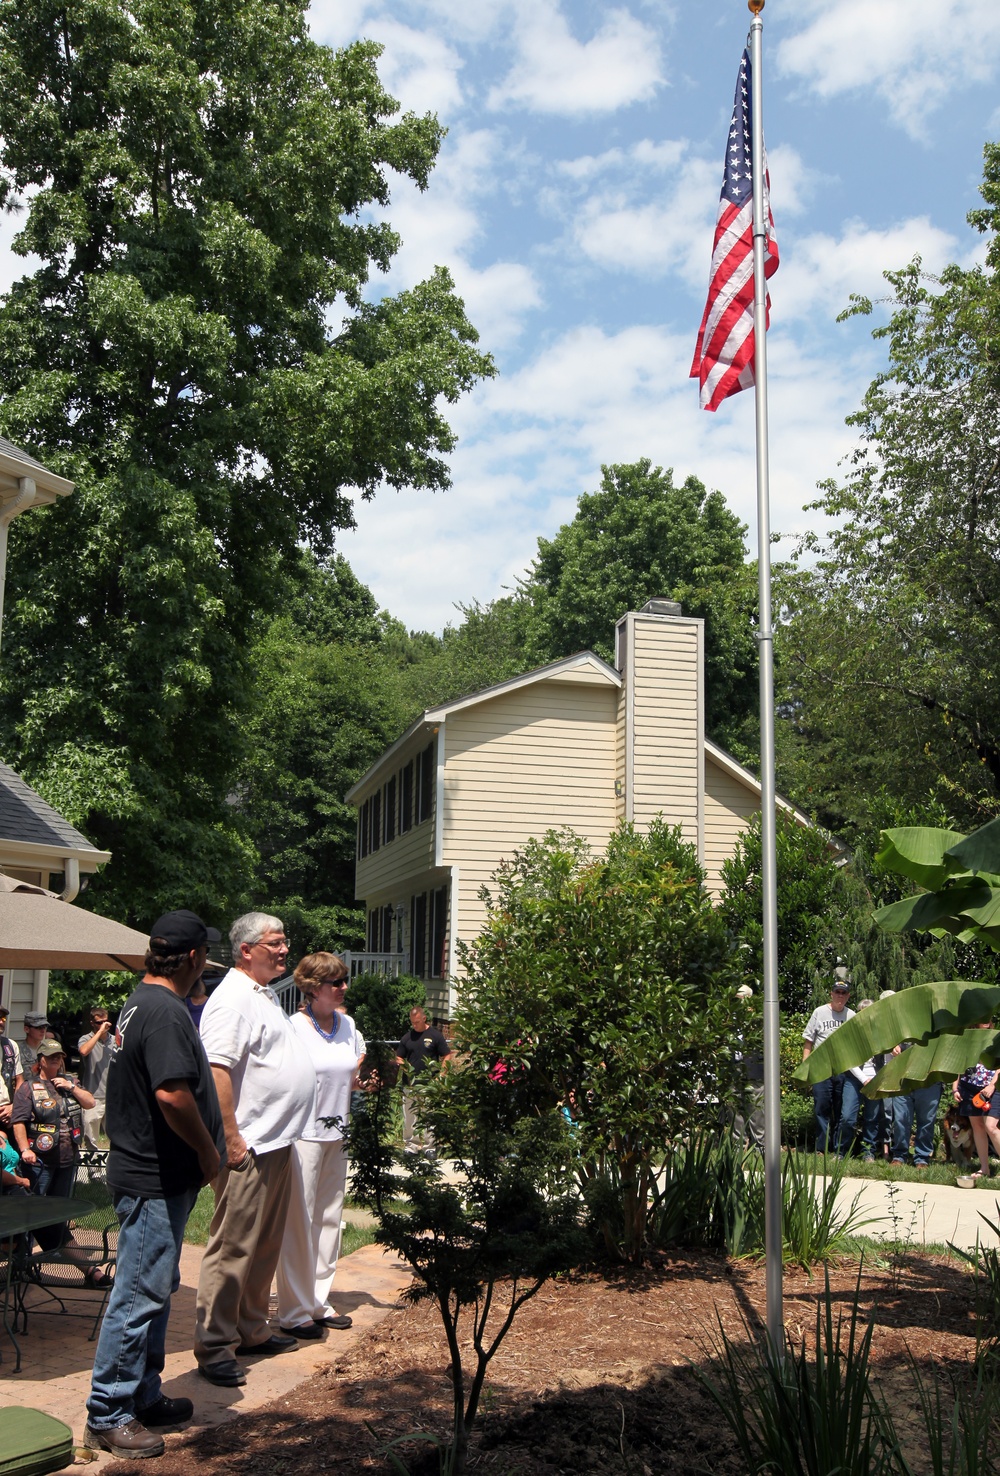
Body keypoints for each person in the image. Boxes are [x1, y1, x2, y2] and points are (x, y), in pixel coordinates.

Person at [83, 910, 226, 1459]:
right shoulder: (165, 1012)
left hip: (151, 1174)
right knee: (139, 1293)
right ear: (193, 958)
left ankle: (142, 1393)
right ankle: (108, 1411)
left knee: (156, 1289)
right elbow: (171, 1096)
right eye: (204, 957)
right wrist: (209, 1151)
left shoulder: (138, 1000)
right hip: (153, 1177)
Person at [194, 912, 315, 1387]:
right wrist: (231, 1138)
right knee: (233, 1246)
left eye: (285, 941)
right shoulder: (231, 1001)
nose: (285, 950)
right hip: (249, 1145)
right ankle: (215, 1344)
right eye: (276, 943)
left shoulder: (262, 994)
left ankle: (250, 1328)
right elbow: (216, 1070)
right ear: (247, 950)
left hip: (277, 1142)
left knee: (264, 1244)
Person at [276, 953, 362, 1339]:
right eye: (335, 982)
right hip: (303, 1135)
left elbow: (348, 1077)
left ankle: (318, 1301)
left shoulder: (349, 1026)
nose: (343, 987)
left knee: (329, 1218)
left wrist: (366, 1080)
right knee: (300, 1220)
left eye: (344, 980)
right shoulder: (292, 1028)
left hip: (338, 1133)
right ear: (312, 988)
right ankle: (293, 1310)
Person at [10, 1039, 104, 1273]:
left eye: (59, 1056)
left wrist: (70, 1087)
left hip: (66, 1160)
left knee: (58, 1212)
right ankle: (23, 1264)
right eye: (51, 1057)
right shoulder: (28, 1087)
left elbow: (90, 1102)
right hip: (39, 1163)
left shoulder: (70, 1082)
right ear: (41, 1060)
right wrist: (25, 1149)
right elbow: (18, 1122)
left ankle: (49, 1256)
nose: (57, 1060)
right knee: (32, 1214)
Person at [801, 973, 855, 1154]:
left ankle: (839, 1151)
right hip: (820, 1069)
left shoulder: (851, 1015)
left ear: (848, 996)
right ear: (831, 994)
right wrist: (806, 1067)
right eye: (837, 992)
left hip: (843, 1069)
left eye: (843, 993)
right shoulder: (819, 1012)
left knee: (841, 1110)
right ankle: (821, 1148)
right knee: (822, 1108)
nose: (840, 996)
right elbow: (808, 1041)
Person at [396, 1006, 452, 1151]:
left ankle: (430, 1147)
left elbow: (447, 1055)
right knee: (409, 1116)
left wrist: (441, 1076)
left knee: (429, 1116)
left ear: (424, 1018)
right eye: (412, 1023)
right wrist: (406, 1068)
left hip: (430, 1084)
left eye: (417, 1022)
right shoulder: (407, 1037)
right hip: (410, 1085)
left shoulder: (435, 1035)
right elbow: (399, 1057)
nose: (414, 1025)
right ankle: (411, 1146)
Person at [837, 999, 883, 1160]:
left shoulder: (881, 1034)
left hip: (876, 1079)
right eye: (862, 1012)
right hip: (855, 1079)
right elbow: (848, 1060)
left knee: (872, 1118)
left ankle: (868, 1151)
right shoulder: (852, 1033)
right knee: (847, 1117)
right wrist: (863, 1079)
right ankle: (841, 1151)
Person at [952, 1025, 997, 1179]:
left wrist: (992, 1086)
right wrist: (955, 1088)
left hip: (992, 1088)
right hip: (968, 1088)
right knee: (977, 1127)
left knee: (991, 1127)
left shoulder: (996, 1037)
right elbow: (958, 1065)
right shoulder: (966, 1038)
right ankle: (984, 1169)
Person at [732, 984, 764, 1151]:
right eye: (737, 999)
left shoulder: (759, 1019)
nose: (739, 1002)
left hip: (753, 1069)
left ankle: (761, 1147)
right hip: (733, 1068)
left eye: (742, 999)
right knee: (735, 1109)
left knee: (757, 1110)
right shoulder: (729, 1019)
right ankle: (737, 1145)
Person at [77, 1007, 114, 1151]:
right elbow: (84, 1051)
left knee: (116, 1137)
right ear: (92, 1023)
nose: (103, 1025)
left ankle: (113, 1171)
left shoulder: (115, 1040)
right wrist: (99, 1033)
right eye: (99, 1023)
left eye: (106, 1022)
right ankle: (94, 1172)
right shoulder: (86, 1039)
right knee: (90, 1138)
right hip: (92, 1097)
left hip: (112, 1097)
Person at [0, 1005, 23, 1129]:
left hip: (6, 1112)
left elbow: (19, 1079)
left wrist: (14, 1106)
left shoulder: (10, 1046)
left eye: (3, 1018)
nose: (1, 1021)